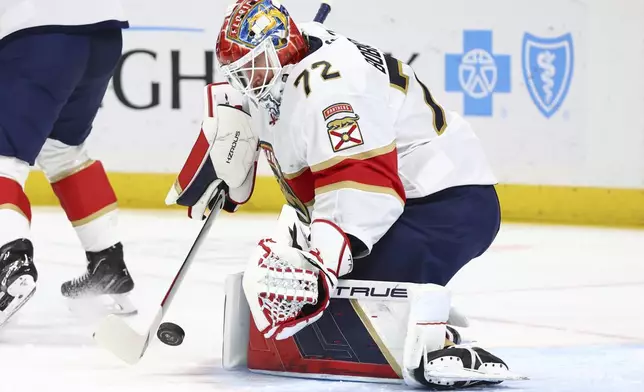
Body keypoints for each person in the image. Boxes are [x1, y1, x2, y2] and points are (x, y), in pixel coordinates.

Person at [167, 0, 524, 388]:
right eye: (240, 73)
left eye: (252, 68)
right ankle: (420, 309)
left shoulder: (336, 88)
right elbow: (268, 117)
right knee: (328, 293)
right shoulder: (290, 54)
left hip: (445, 205)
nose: (247, 81)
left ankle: (440, 341)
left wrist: (321, 267)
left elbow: (362, 183)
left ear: (282, 48)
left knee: (342, 305)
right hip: (405, 204)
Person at [0, 0, 136, 326]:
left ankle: (10, 263)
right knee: (62, 150)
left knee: (4, 158)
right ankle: (108, 265)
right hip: (103, 33)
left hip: (37, 33)